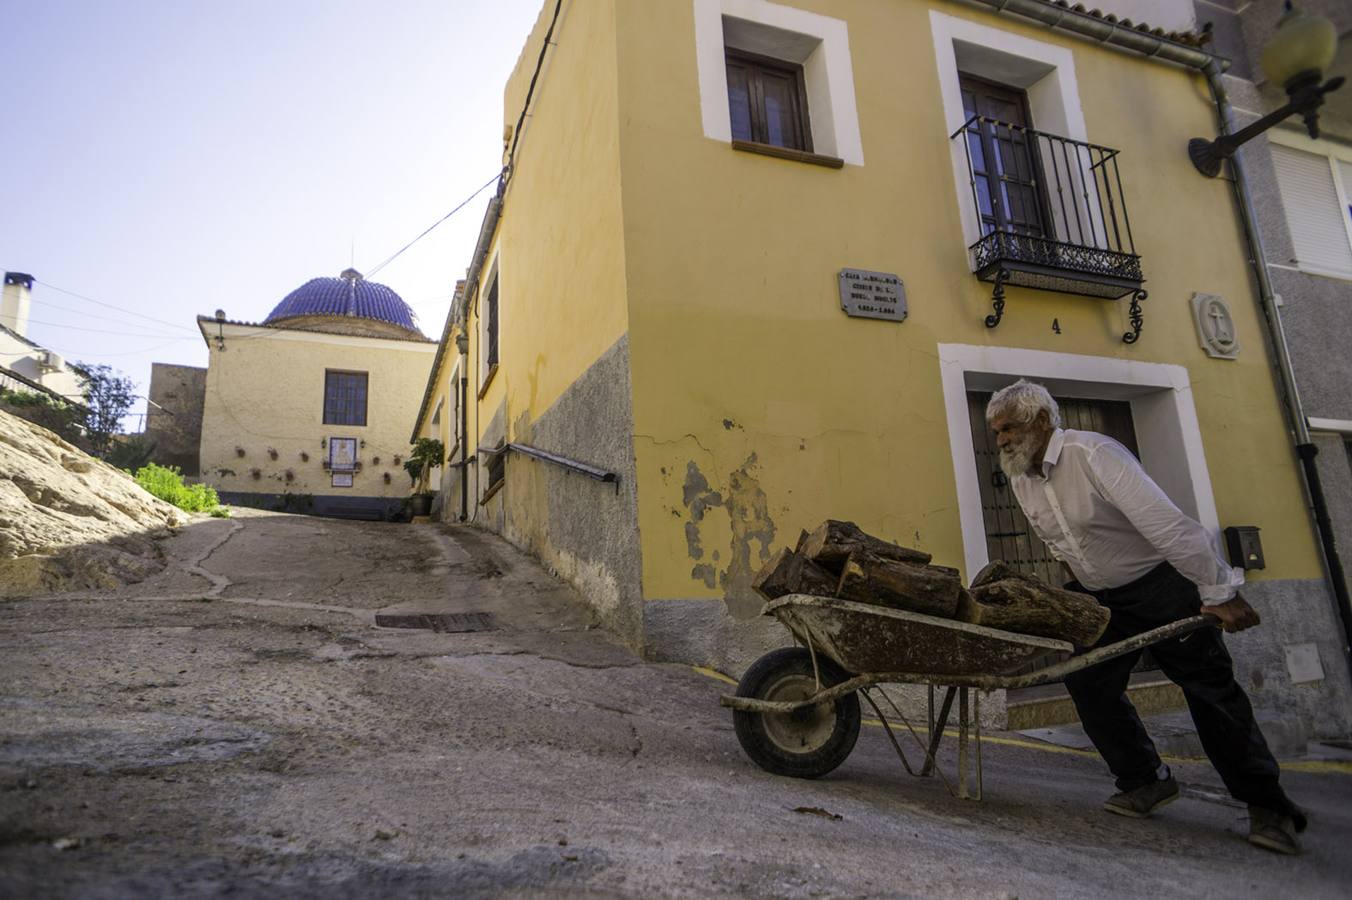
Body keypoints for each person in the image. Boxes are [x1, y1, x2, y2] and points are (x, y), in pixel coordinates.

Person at [985, 379, 1305, 855]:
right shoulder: (1020, 477)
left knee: (1209, 690)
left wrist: (1218, 591)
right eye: (995, 433)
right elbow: (1057, 543)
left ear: (1042, 421)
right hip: (1100, 599)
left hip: (1159, 587)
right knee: (1088, 682)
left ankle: (1268, 806)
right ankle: (1145, 779)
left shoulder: (1094, 455)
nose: (1002, 440)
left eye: (1009, 428)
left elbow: (1167, 525)